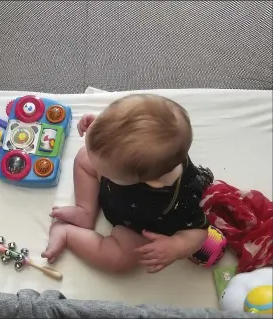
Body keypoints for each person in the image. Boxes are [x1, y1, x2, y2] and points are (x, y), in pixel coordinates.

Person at [41, 94, 213, 274]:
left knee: (122, 260)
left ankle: (67, 234)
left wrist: (176, 247)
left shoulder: (181, 198)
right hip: (115, 192)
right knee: (85, 157)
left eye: (106, 171)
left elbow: (199, 231)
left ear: (149, 182)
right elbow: (125, 130)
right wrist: (100, 127)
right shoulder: (137, 154)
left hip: (134, 224)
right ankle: (85, 211)